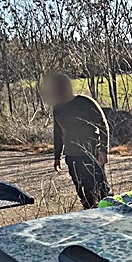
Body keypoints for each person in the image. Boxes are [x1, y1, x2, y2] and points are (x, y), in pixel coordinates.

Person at [48, 73, 111, 209]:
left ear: (66, 88)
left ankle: (107, 214)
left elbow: (103, 126)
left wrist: (103, 150)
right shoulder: (58, 108)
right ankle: (88, 213)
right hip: (72, 156)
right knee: (81, 191)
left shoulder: (85, 103)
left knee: (101, 190)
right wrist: (57, 157)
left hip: (91, 154)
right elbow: (57, 134)